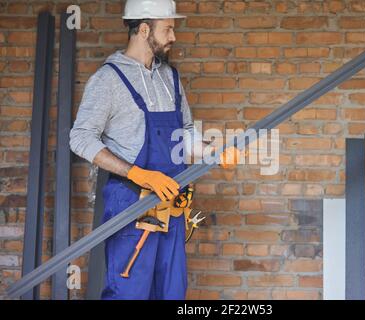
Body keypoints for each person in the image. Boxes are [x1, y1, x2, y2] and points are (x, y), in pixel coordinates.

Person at [69, 0, 240, 300]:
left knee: (172, 292)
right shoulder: (108, 80)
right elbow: (81, 138)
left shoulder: (169, 77)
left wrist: (212, 152)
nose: (173, 37)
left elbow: (184, 135)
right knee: (129, 291)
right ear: (144, 29)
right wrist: (138, 174)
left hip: (172, 206)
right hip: (131, 207)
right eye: (168, 29)